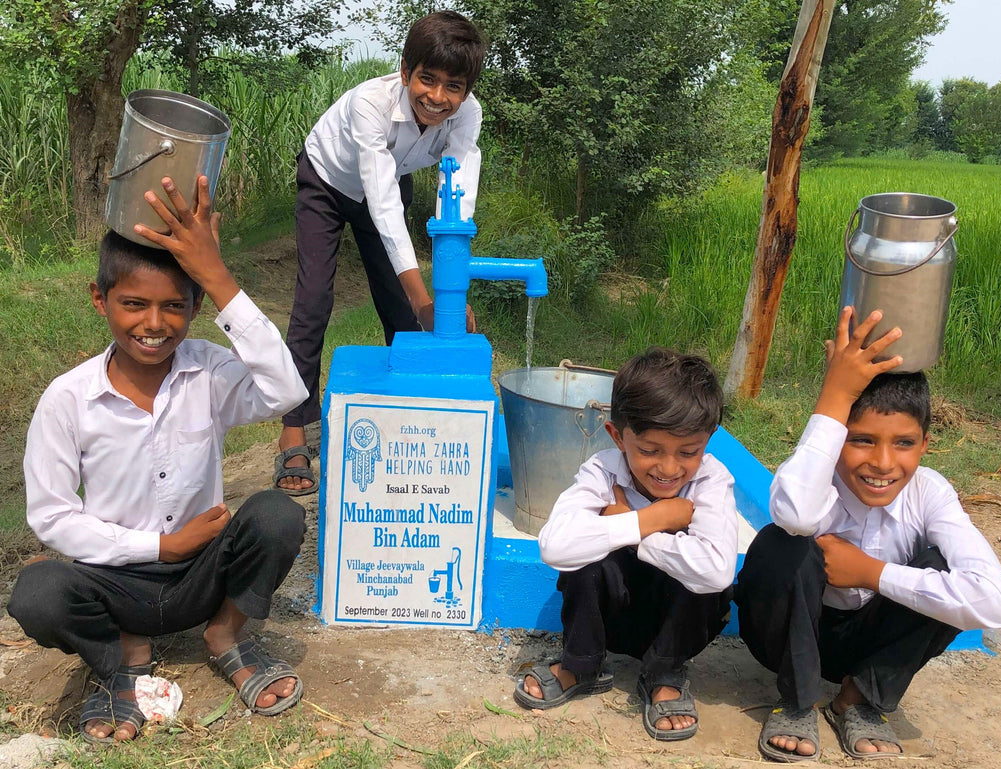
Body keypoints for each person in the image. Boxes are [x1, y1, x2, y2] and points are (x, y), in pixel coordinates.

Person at [8, 176, 310, 744]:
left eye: (174, 306)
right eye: (133, 304)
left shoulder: (210, 370)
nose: (154, 323)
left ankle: (226, 636)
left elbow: (286, 393)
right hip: (113, 581)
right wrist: (158, 546)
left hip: (202, 576)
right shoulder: (67, 399)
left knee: (277, 515)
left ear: (196, 309)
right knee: (37, 594)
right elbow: (51, 516)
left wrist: (216, 276)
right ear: (100, 302)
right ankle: (121, 659)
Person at [736, 307, 1001, 762]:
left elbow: (997, 603)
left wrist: (871, 573)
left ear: (925, 445)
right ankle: (798, 701)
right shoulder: (813, 478)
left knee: (943, 570)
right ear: (835, 437)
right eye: (862, 439)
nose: (884, 463)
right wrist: (834, 395)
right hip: (787, 637)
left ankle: (858, 699)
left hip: (867, 641)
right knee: (780, 543)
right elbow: (793, 515)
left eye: (904, 443)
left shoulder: (930, 493)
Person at [275, 10, 487, 496]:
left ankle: (410, 411)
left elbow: (456, 199)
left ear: (467, 90)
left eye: (453, 87)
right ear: (405, 70)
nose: (438, 97)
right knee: (313, 302)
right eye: (426, 80)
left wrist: (446, 296)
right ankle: (293, 426)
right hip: (328, 180)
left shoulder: (467, 116)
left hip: (392, 178)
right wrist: (423, 299)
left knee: (398, 306)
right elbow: (383, 204)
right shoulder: (370, 104)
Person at [513, 348, 739, 741]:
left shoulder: (712, 482)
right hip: (612, 618)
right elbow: (554, 546)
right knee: (584, 554)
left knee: (703, 578)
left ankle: (665, 673)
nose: (669, 468)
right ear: (617, 435)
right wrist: (651, 520)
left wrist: (635, 536)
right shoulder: (601, 471)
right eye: (650, 450)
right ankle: (581, 664)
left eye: (689, 452)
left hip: (678, 623)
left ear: (709, 440)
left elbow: (718, 569)